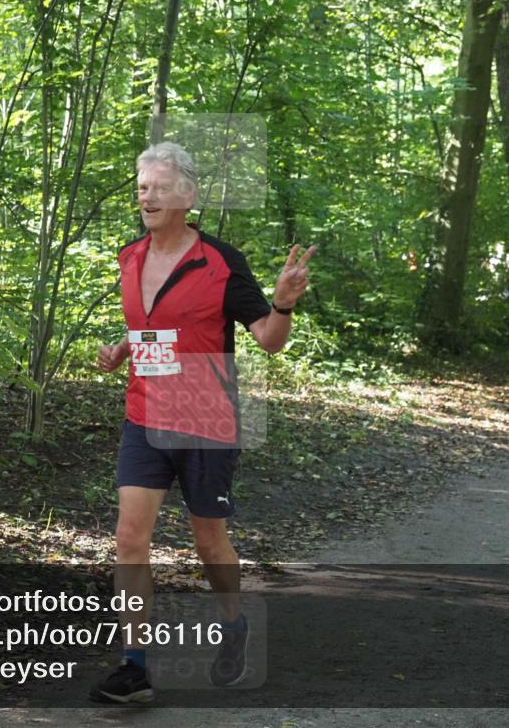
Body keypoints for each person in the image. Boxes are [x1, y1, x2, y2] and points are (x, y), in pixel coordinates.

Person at [91, 142, 314, 703]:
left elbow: (267, 340)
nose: (147, 195)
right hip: (144, 414)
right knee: (128, 536)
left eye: (160, 187)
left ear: (188, 197)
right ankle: (134, 665)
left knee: (209, 543)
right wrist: (124, 346)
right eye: (142, 186)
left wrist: (283, 304)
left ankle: (234, 623)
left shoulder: (219, 261)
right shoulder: (130, 258)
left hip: (203, 417)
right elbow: (161, 328)